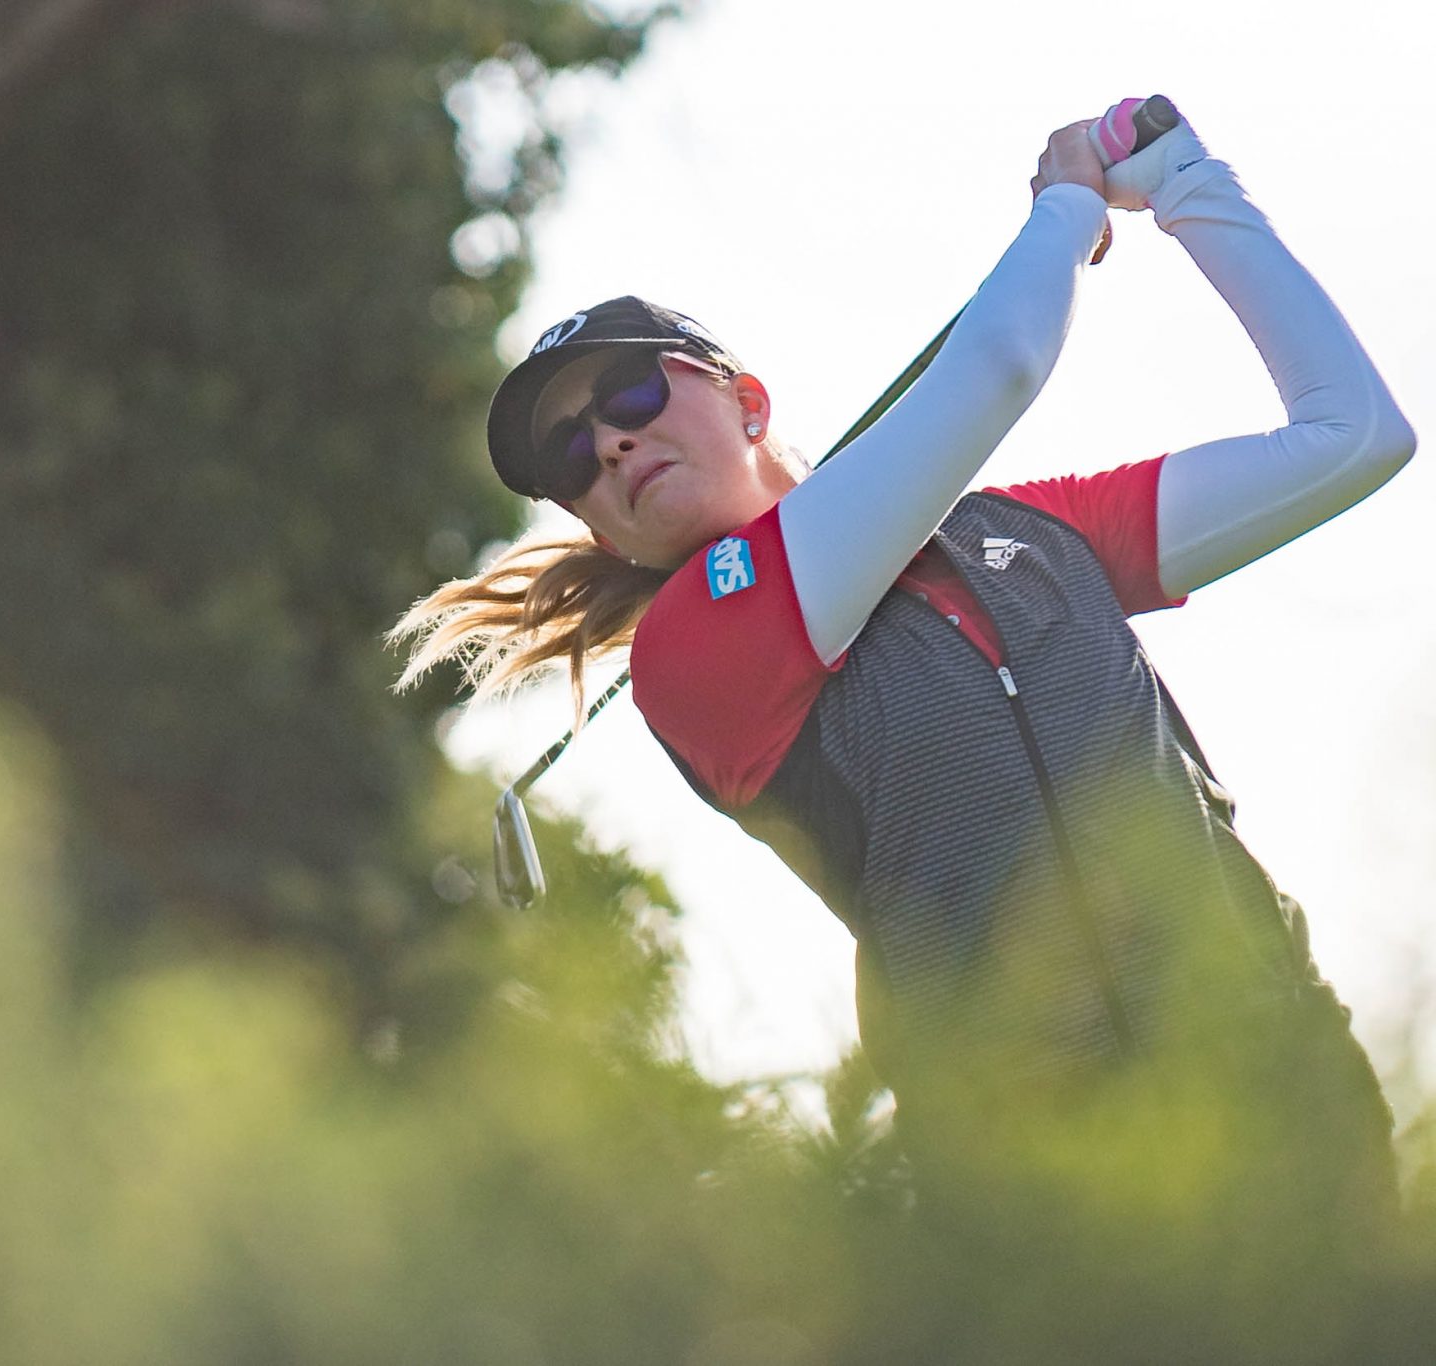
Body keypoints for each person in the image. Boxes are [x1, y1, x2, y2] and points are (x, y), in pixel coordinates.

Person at [390, 104, 1416, 1329]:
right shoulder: (694, 651)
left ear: (746, 400)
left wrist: (1188, 186)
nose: (607, 438)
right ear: (593, 520)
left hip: (1283, 1099)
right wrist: (1068, 201)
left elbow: (1353, 435)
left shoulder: (1028, 536)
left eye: (625, 389)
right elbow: (995, 367)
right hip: (1046, 1200)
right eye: (570, 456)